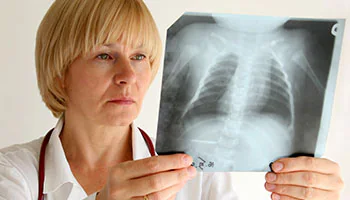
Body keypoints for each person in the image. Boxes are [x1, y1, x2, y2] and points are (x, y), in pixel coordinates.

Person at [0, 0, 344, 200]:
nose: (128, 76)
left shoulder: (200, 173)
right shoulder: (14, 174)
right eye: (105, 55)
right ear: (59, 71)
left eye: (139, 57)